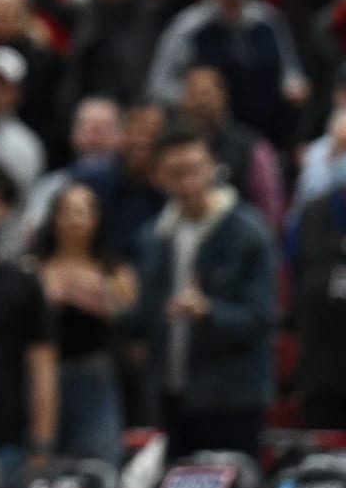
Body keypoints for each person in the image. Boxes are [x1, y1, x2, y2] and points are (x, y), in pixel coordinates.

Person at [123, 122, 276, 460]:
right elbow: (144, 316)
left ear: (213, 167)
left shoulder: (247, 232)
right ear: (157, 177)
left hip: (233, 397)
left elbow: (262, 317)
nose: (188, 182)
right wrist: (114, 304)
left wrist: (208, 311)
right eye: (176, 173)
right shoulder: (154, 236)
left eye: (195, 170)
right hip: (173, 395)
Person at [32, 183, 134, 462]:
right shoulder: (34, 268)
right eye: (67, 212)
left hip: (95, 373)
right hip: (43, 375)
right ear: (54, 218)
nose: (75, 220)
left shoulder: (114, 269)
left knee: (99, 456)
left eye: (83, 212)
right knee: (45, 459)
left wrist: (102, 302)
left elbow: (132, 319)